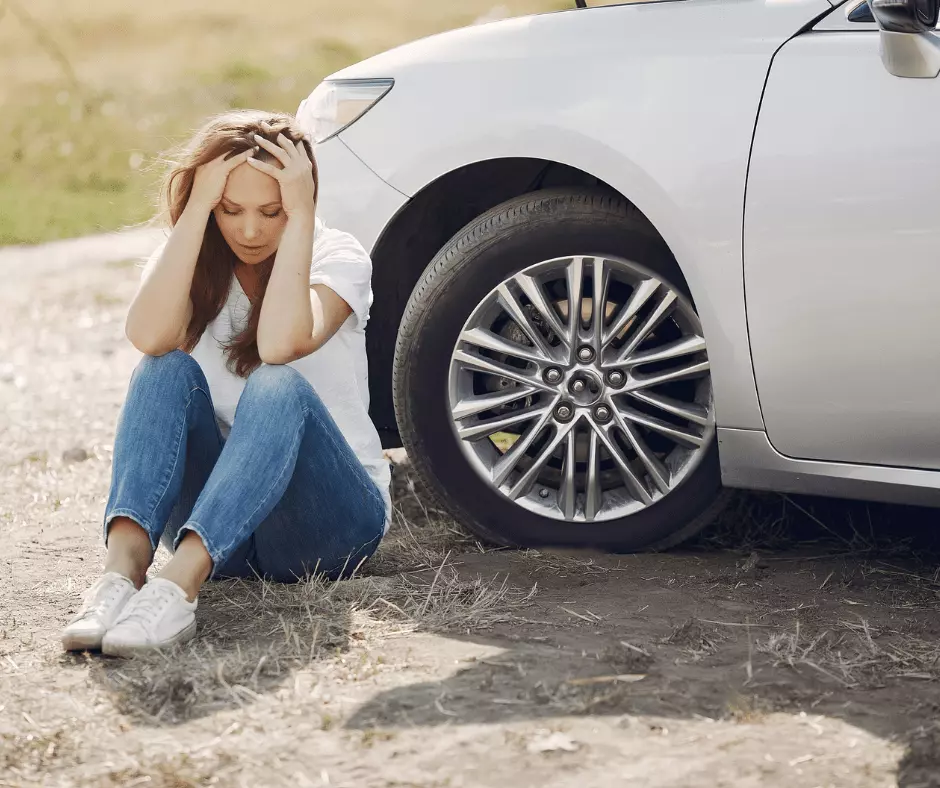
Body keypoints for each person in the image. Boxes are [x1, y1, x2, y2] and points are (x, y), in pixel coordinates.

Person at [60, 110, 391, 657]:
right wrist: (194, 210)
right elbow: (147, 336)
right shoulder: (189, 259)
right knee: (163, 366)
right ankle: (120, 578)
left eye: (272, 211)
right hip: (223, 532)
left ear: (301, 200)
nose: (251, 230)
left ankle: (177, 586)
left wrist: (303, 216)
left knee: (276, 384)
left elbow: (281, 344)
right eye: (231, 210)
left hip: (328, 524)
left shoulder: (338, 257)